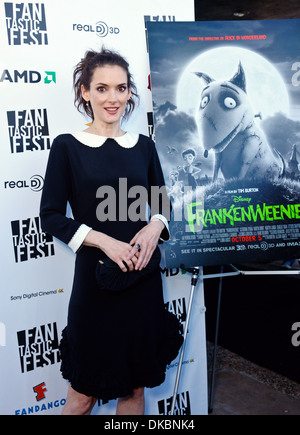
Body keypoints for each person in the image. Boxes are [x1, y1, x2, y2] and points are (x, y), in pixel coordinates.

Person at [40, 48, 183, 415]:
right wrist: (103, 240)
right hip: (95, 283)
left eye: (121, 89)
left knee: (134, 389)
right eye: (102, 89)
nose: (113, 98)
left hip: (142, 281)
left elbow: (162, 204)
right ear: (85, 92)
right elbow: (52, 216)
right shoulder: (67, 147)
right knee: (83, 393)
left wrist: (155, 226)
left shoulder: (143, 147)